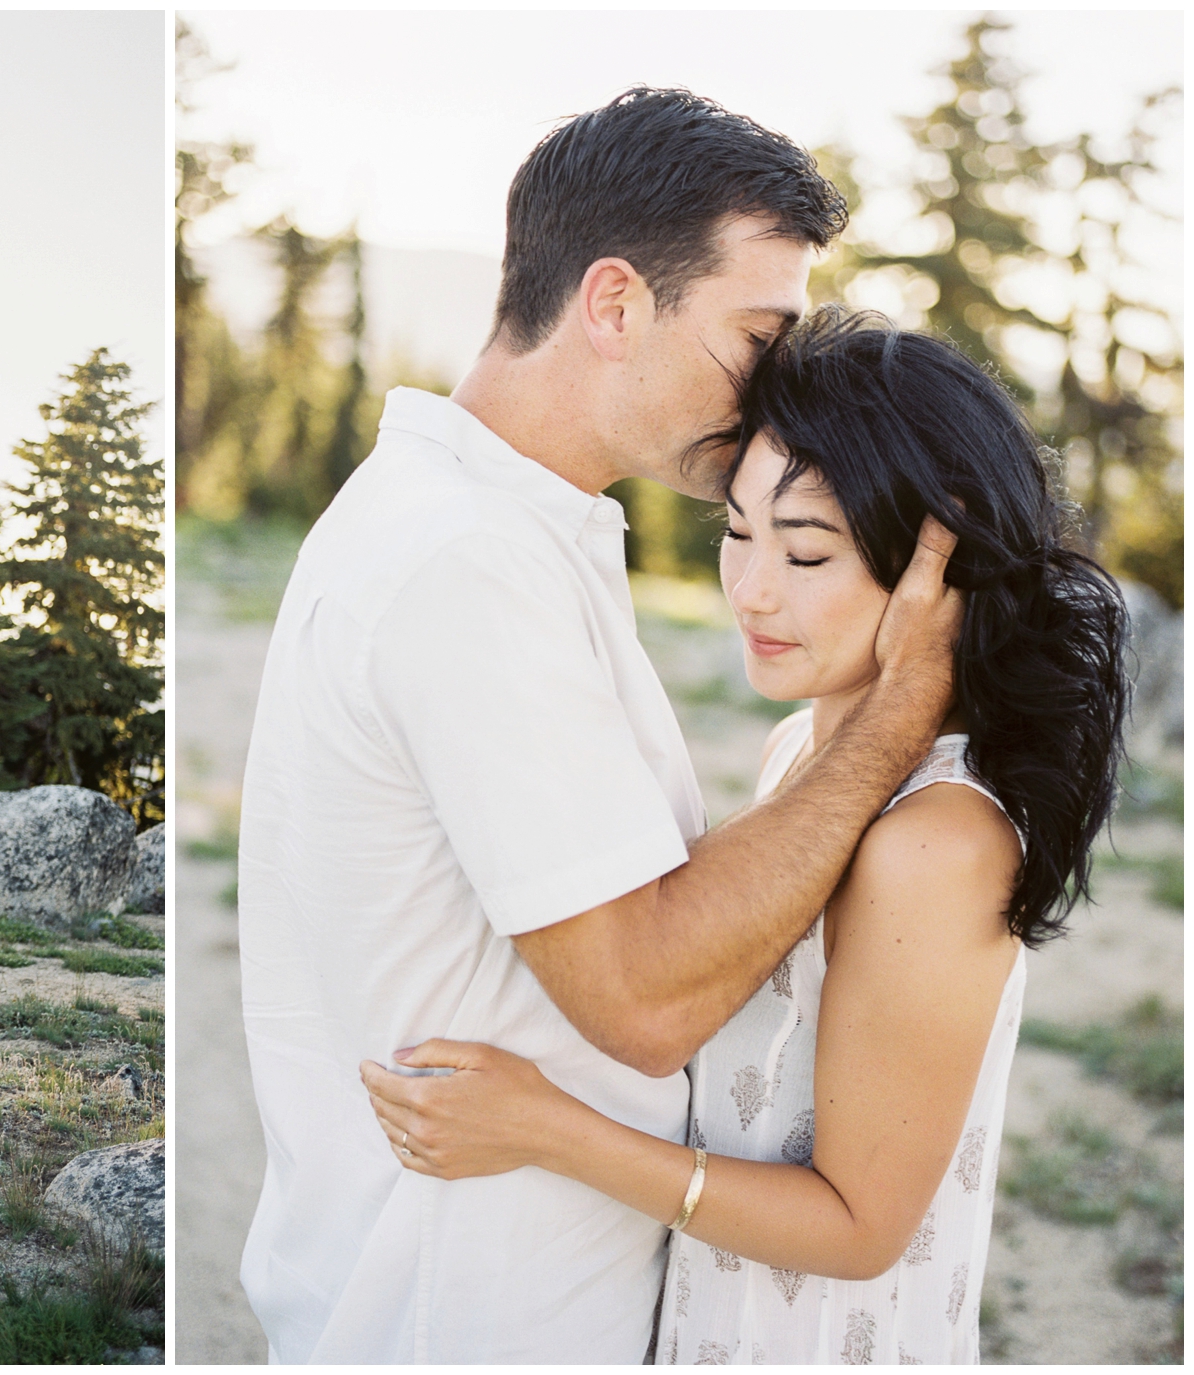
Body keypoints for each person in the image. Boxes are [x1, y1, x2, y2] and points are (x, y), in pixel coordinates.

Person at [235, 89, 965, 1363]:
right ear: (615, 303)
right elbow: (639, 996)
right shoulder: (463, 562)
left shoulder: (496, 525)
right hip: (466, 1311)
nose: (771, 388)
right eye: (755, 334)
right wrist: (894, 719)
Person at [362, 309, 1129, 1364]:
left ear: (932, 567)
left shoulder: (935, 843)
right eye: (735, 533)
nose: (751, 590)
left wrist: (544, 1130)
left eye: (804, 550)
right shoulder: (795, 756)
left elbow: (861, 1228)